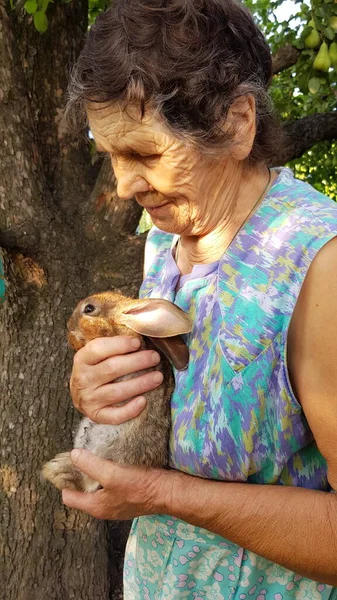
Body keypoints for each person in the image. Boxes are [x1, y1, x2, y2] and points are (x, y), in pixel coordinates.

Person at [62, 0, 337, 598]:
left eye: (146, 154)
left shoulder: (320, 266)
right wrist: (95, 391)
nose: (124, 185)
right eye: (111, 154)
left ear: (238, 123)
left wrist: (163, 496)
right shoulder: (166, 237)